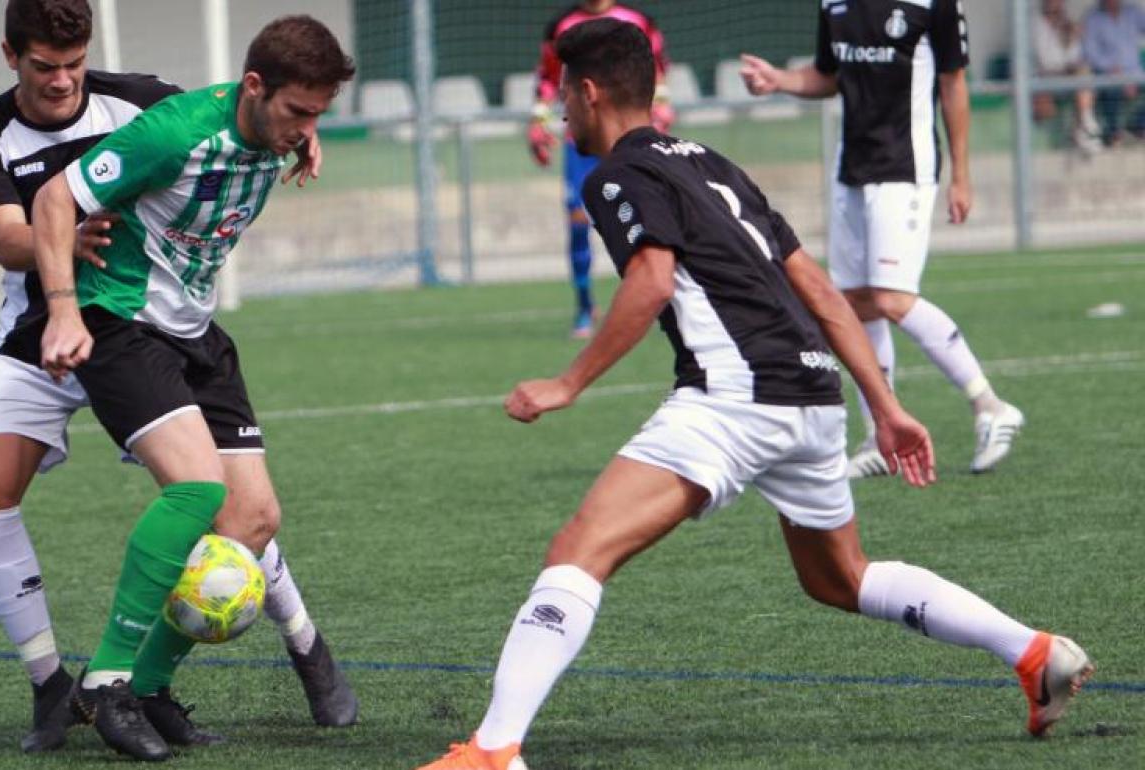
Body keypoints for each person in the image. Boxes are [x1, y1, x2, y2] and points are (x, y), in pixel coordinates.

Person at [413, 19, 1092, 769]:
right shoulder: (714, 164)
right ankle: (1031, 653)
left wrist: (568, 383)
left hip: (735, 398)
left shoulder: (616, 176)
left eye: (563, 95)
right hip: (814, 394)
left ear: (589, 91)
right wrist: (885, 407)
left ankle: (493, 750)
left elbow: (651, 278)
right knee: (841, 578)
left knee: (579, 550)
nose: (560, 112)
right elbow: (822, 293)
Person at [0, 0, 357, 756]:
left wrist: (302, 132)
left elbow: (262, 123)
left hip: (192, 331)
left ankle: (152, 685)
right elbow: (44, 206)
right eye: (297, 111)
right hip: (109, 321)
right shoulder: (158, 131)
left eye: (317, 115)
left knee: (252, 520)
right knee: (186, 491)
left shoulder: (217, 112)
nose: (62, 81)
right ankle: (86, 686)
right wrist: (67, 309)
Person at [740, 0, 1025, 478]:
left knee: (892, 298)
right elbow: (829, 77)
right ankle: (879, 435)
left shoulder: (931, 4)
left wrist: (962, 174)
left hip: (906, 169)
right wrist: (780, 81)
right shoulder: (833, 4)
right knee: (852, 303)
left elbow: (954, 84)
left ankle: (991, 406)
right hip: (850, 172)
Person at [528, 0, 671, 338]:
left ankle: (657, 299)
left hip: (630, 137)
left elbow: (658, 71)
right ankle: (583, 305)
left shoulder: (637, 20)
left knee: (648, 216)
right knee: (578, 218)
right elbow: (548, 79)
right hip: (583, 139)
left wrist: (662, 109)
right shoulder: (561, 25)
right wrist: (539, 123)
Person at [1032, 0, 1103, 155]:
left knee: (1083, 72)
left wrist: (1070, 36)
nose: (1057, 4)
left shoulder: (1067, 24)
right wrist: (1067, 65)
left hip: (1065, 78)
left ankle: (1086, 126)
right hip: (1042, 81)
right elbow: (1046, 61)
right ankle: (1086, 128)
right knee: (1079, 75)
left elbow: (1075, 56)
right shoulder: (1035, 24)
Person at [1083, 0, 1145, 145]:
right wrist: (1112, 69)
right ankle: (1113, 135)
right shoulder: (1093, 18)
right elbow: (1089, 52)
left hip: (1136, 74)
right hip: (1109, 74)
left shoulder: (1133, 12)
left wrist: (1131, 79)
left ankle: (1138, 125)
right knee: (1110, 89)